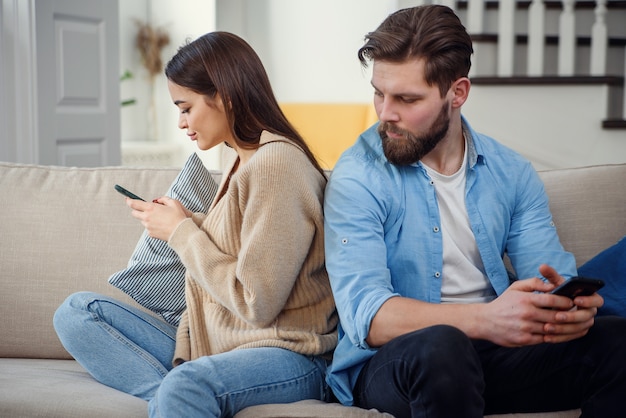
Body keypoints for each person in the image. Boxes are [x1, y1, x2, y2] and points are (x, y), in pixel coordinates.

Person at [323, 5, 626, 418]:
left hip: (492, 357)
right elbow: (368, 317)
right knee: (442, 344)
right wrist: (486, 318)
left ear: (457, 93)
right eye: (379, 92)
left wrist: (568, 310)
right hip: (398, 361)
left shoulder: (511, 172)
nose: (385, 114)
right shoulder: (358, 175)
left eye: (406, 99)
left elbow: (550, 275)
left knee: (617, 340)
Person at [54, 31, 338, 418]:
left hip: (287, 354)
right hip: (220, 345)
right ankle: (175, 400)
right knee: (77, 312)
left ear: (225, 96)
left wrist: (180, 233)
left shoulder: (276, 166)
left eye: (185, 107)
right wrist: (191, 220)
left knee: (186, 386)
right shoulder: (240, 161)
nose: (181, 122)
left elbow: (258, 302)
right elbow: (249, 241)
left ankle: (182, 396)